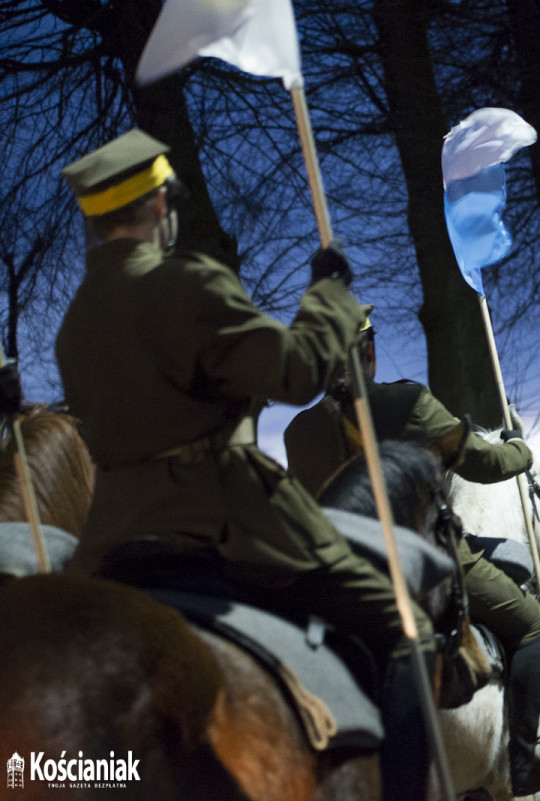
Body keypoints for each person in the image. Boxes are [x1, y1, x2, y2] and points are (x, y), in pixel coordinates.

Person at [56, 129, 429, 801]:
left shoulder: (75, 322)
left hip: (111, 540)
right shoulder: (184, 284)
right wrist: (331, 296)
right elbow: (294, 371)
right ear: (158, 204)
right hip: (223, 525)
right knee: (405, 624)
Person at [284, 314, 540, 795]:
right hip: (421, 559)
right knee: (536, 626)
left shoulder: (298, 431)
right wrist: (521, 451)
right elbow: (482, 461)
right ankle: (522, 759)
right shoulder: (408, 402)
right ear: (369, 351)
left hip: (338, 575)